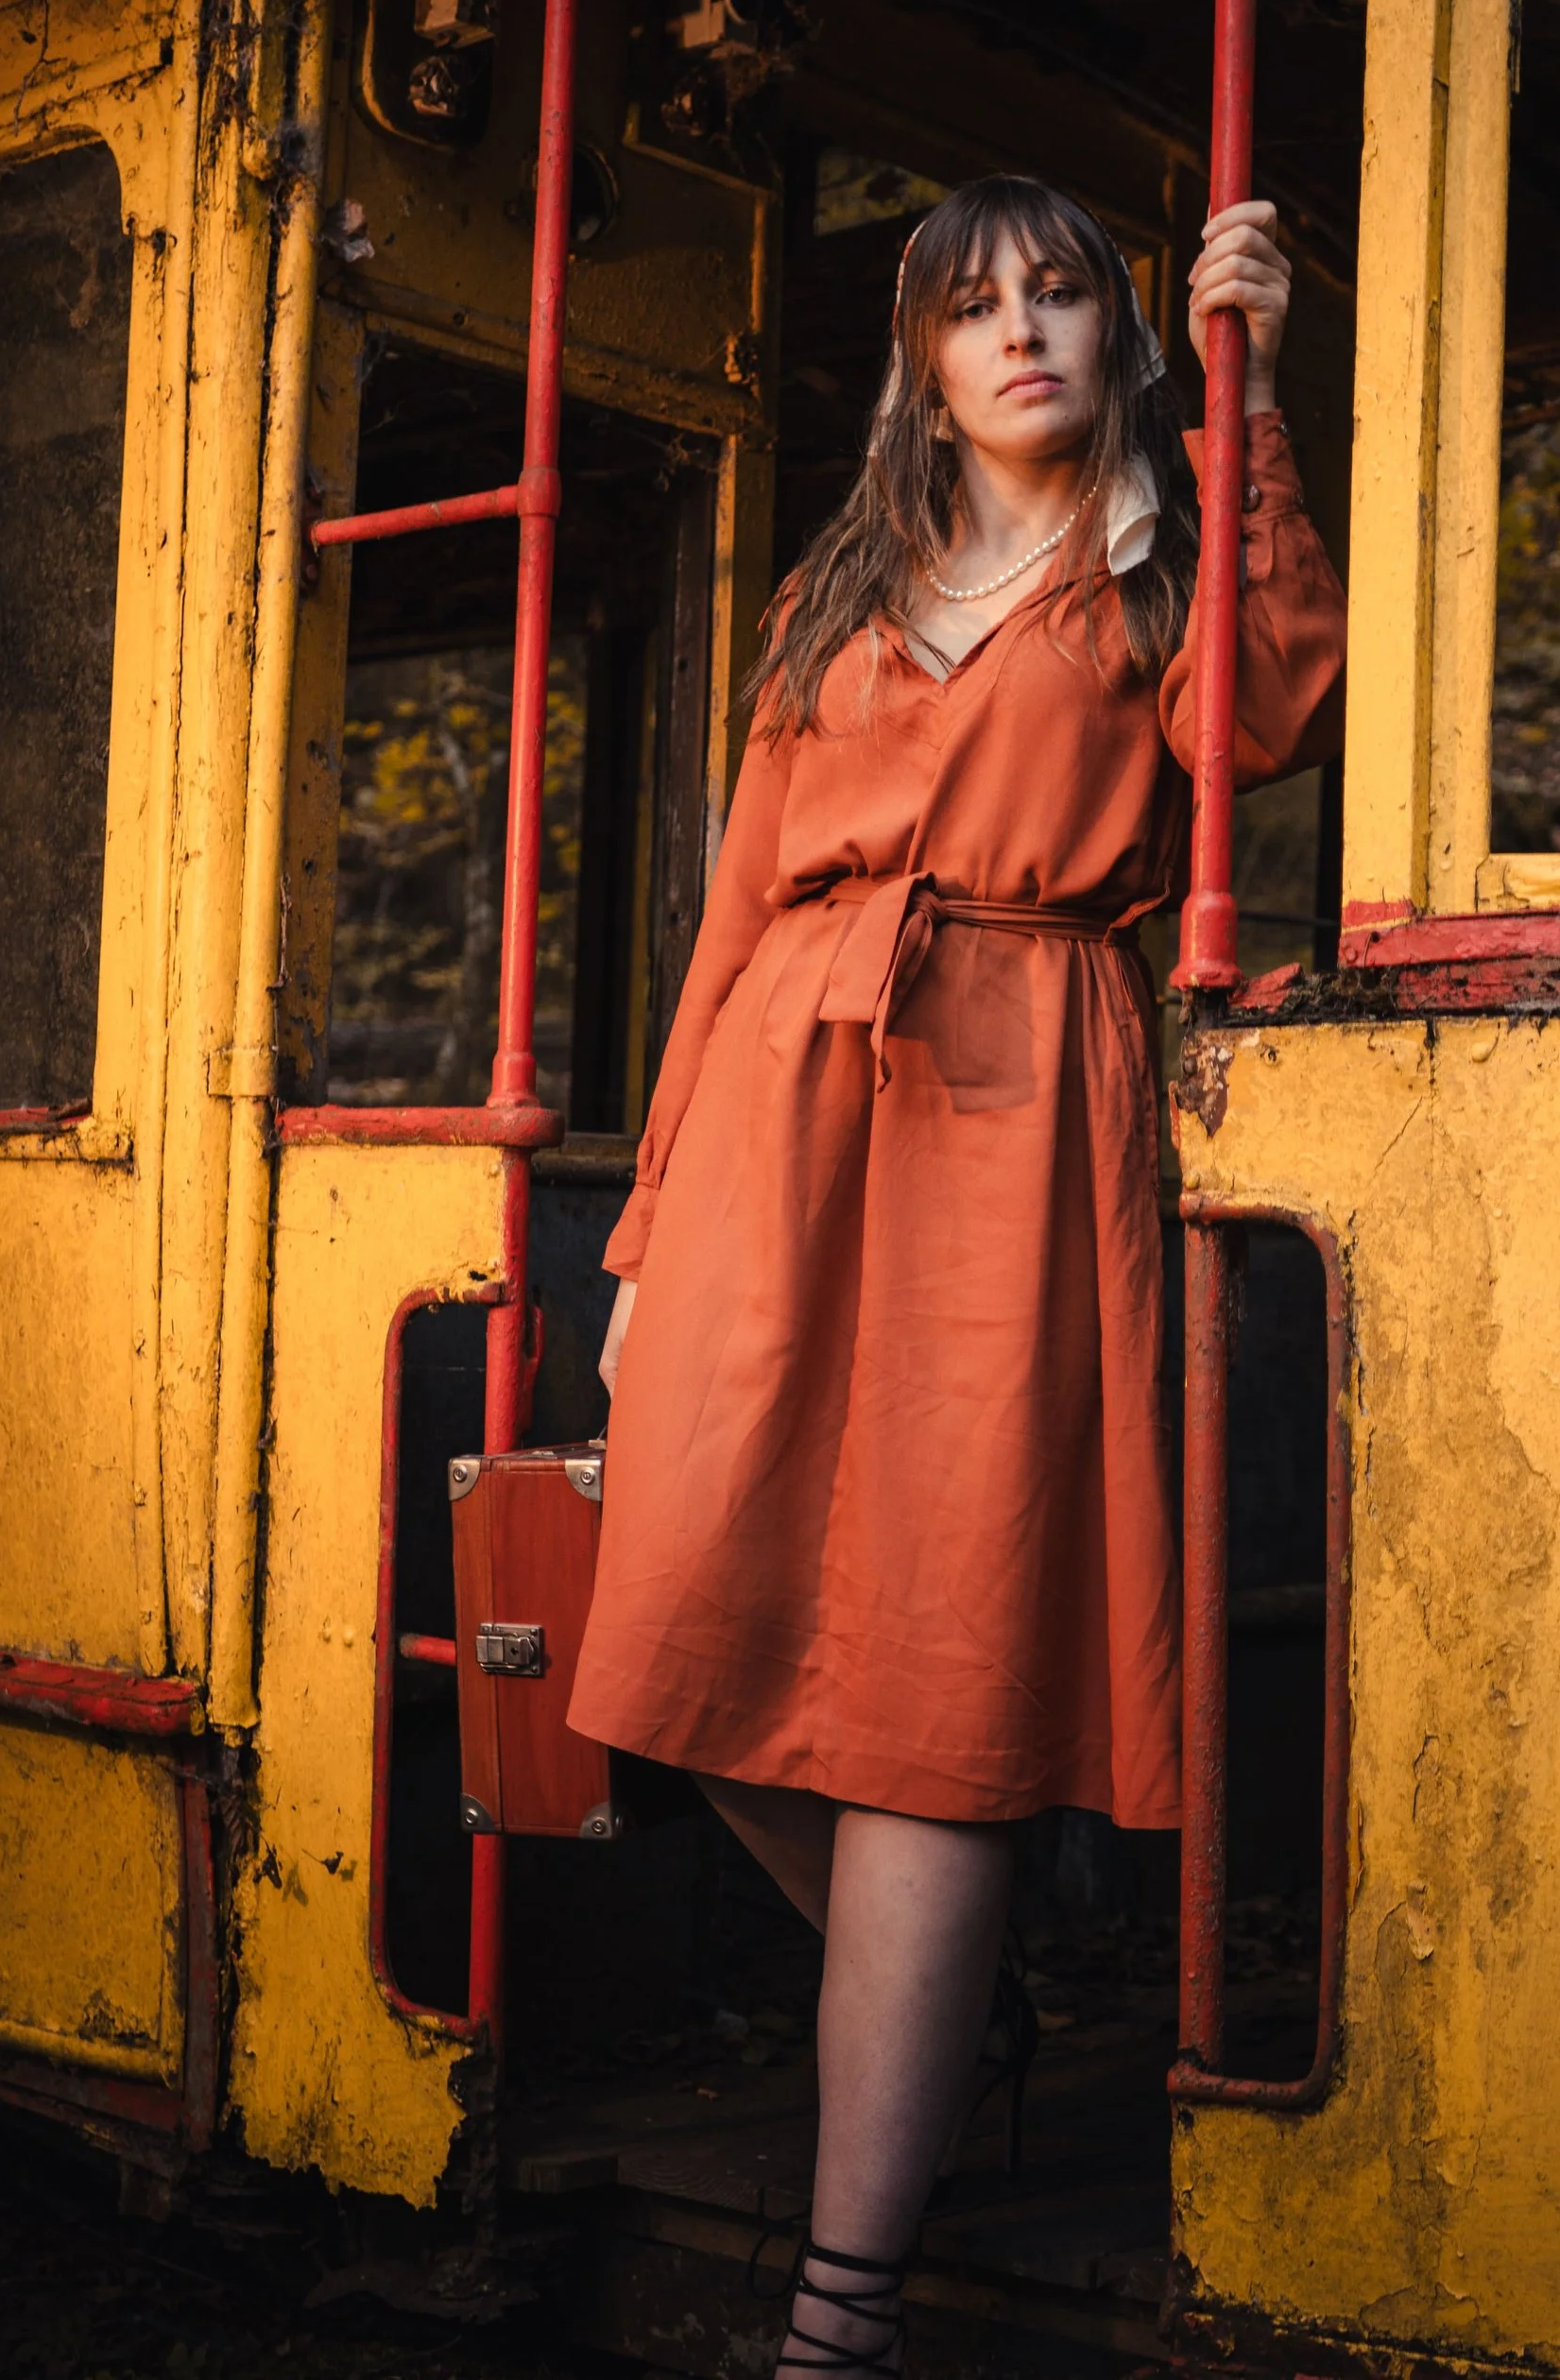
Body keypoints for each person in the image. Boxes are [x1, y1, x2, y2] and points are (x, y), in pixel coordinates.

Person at [567, 176, 1346, 2371]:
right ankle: (957, 1983)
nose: (1021, 335)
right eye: (970, 307)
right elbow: (729, 914)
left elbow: (1267, 711)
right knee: (668, 1638)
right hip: (768, 1124)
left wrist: (1245, 378)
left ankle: (838, 2318)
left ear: (1115, 337)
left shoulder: (1152, 574)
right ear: (918, 360)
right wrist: (641, 1226)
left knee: (925, 1703)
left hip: (1006, 1111)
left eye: (1062, 300)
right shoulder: (843, 581)